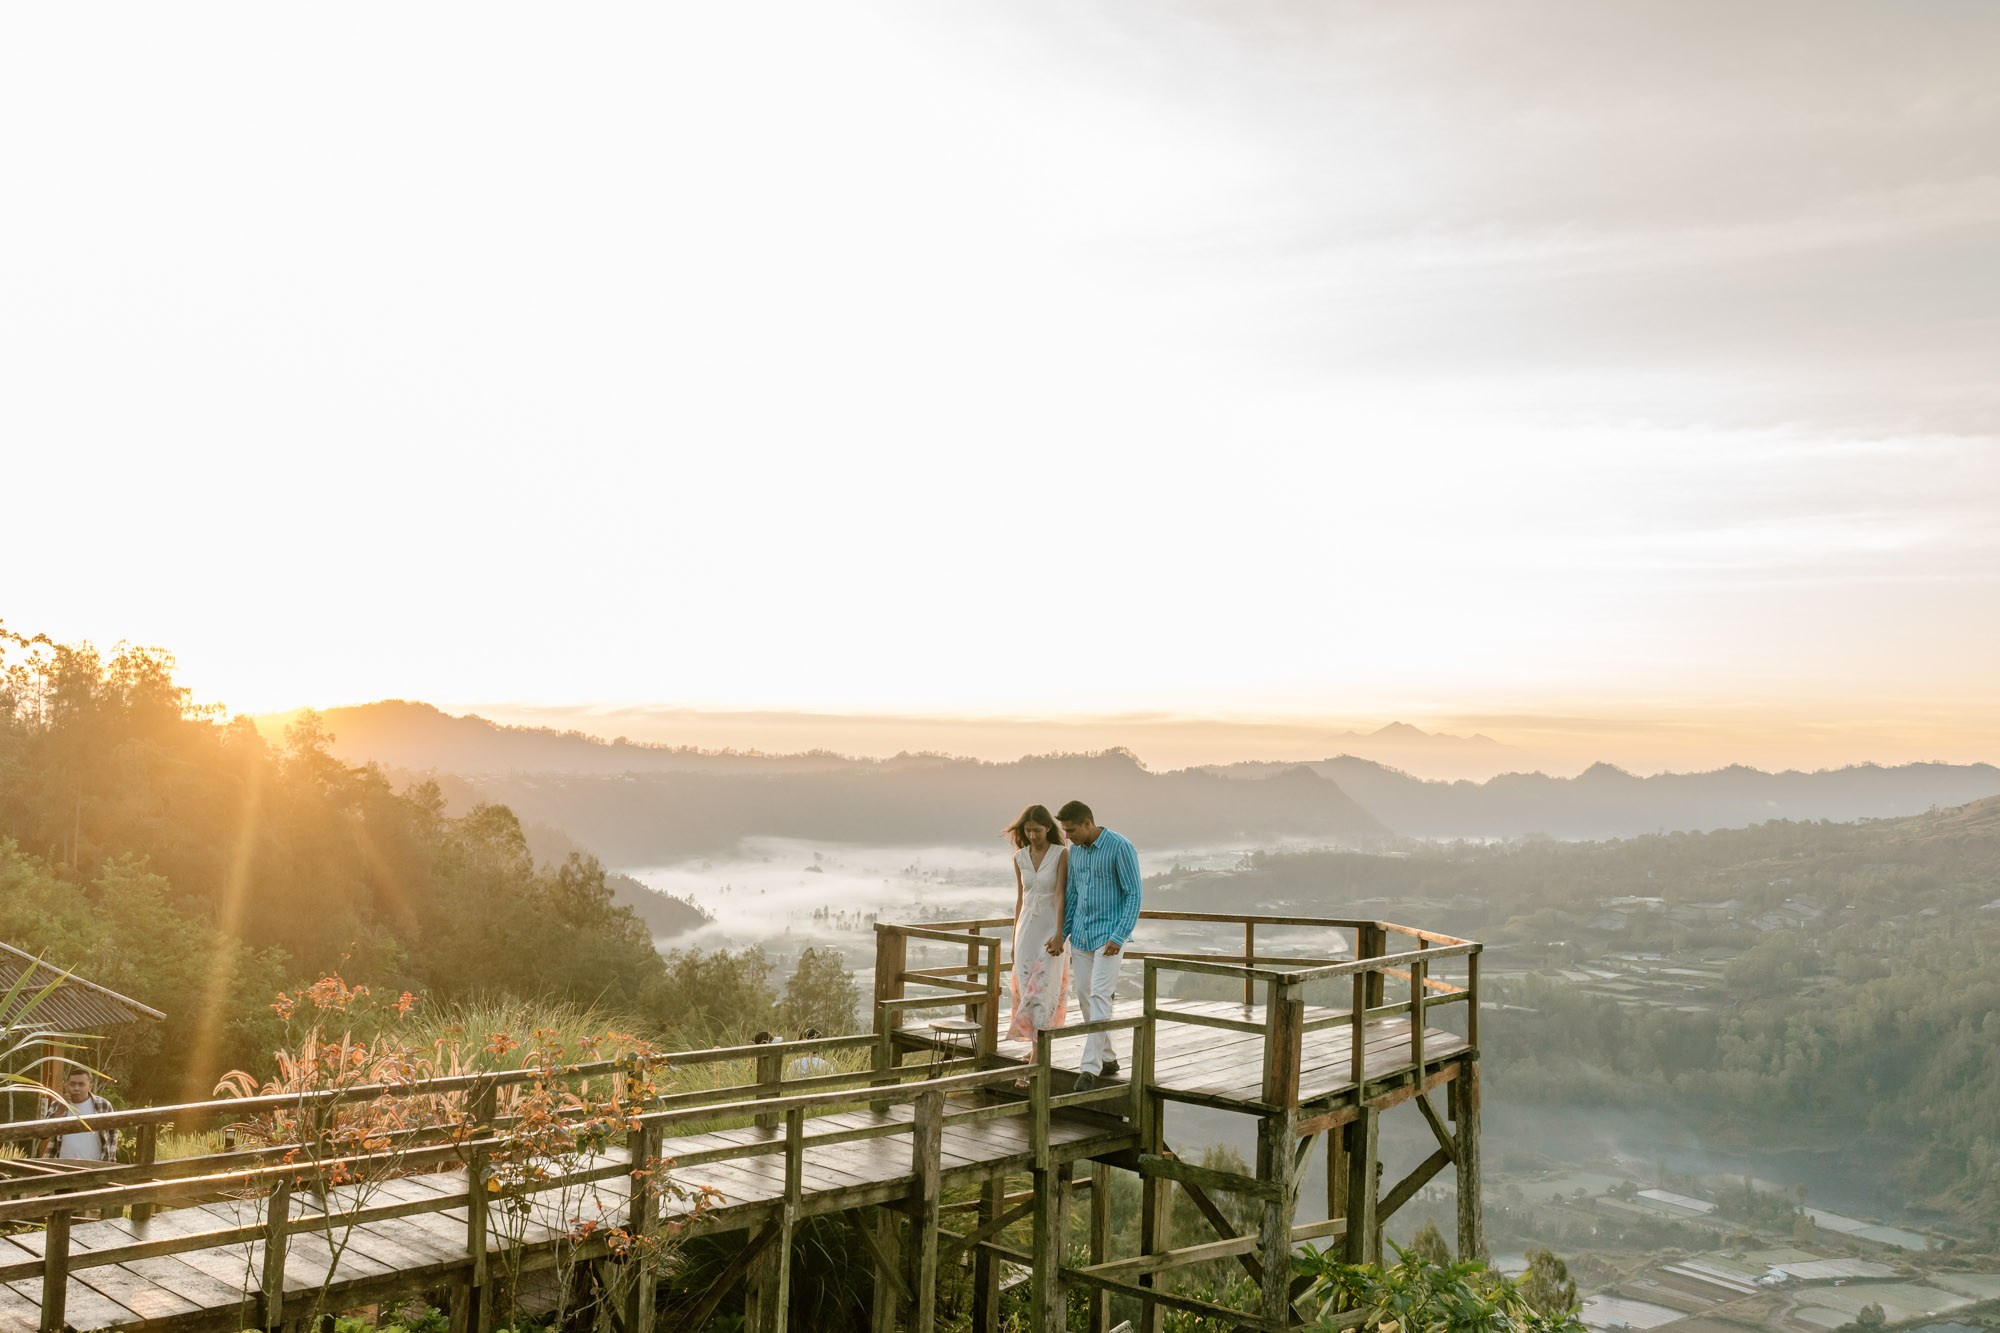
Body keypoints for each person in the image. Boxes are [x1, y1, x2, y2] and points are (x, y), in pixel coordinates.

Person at [1055, 800, 1142, 1090]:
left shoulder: (1120, 847)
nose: (1067, 837)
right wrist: (1063, 933)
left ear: (1087, 823)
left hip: (1109, 938)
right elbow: (1073, 895)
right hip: (1081, 934)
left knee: (1100, 996)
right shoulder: (1075, 852)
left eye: (1071, 830)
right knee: (1083, 994)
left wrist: (1119, 936)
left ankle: (1089, 1069)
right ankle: (1108, 1057)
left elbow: (1133, 895)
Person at [1004, 804, 1070, 1044]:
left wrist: (1060, 934)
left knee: (1043, 988)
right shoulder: (1019, 858)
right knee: (1026, 988)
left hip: (1050, 928)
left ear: (1048, 828)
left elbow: (1060, 895)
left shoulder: (1060, 853)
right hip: (1025, 929)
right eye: (1028, 830)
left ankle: (1037, 1053)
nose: (1032, 835)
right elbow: (1020, 899)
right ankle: (1034, 1046)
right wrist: (1013, 940)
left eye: (1037, 830)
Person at [41, 1069, 118, 1162]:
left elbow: (113, 1135)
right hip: (61, 1164)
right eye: (72, 1084)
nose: (76, 1088)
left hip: (94, 1165)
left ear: (90, 1086)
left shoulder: (103, 1105)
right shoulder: (58, 1105)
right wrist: (58, 1112)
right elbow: (43, 1135)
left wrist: (109, 1163)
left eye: (81, 1084)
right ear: (66, 1085)